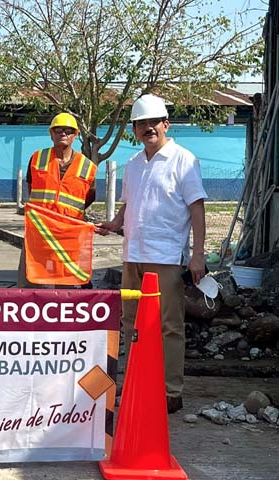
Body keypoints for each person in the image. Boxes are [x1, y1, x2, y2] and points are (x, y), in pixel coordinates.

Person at [96, 94, 207, 414]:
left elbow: (197, 209)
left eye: (153, 122)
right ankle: (136, 382)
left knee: (169, 325)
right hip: (133, 254)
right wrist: (115, 223)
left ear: (166, 124)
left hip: (166, 257)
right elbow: (130, 203)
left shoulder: (183, 160)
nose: (148, 128)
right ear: (134, 129)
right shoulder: (133, 164)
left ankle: (171, 391)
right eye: (141, 123)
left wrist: (197, 255)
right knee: (132, 323)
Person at [18, 112, 98, 288]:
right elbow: (31, 188)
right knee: (30, 283)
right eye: (58, 130)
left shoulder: (87, 166)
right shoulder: (37, 158)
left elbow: (89, 197)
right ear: (51, 134)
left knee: (65, 286)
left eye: (68, 130)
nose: (63, 133)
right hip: (39, 232)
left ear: (75, 135)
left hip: (68, 234)